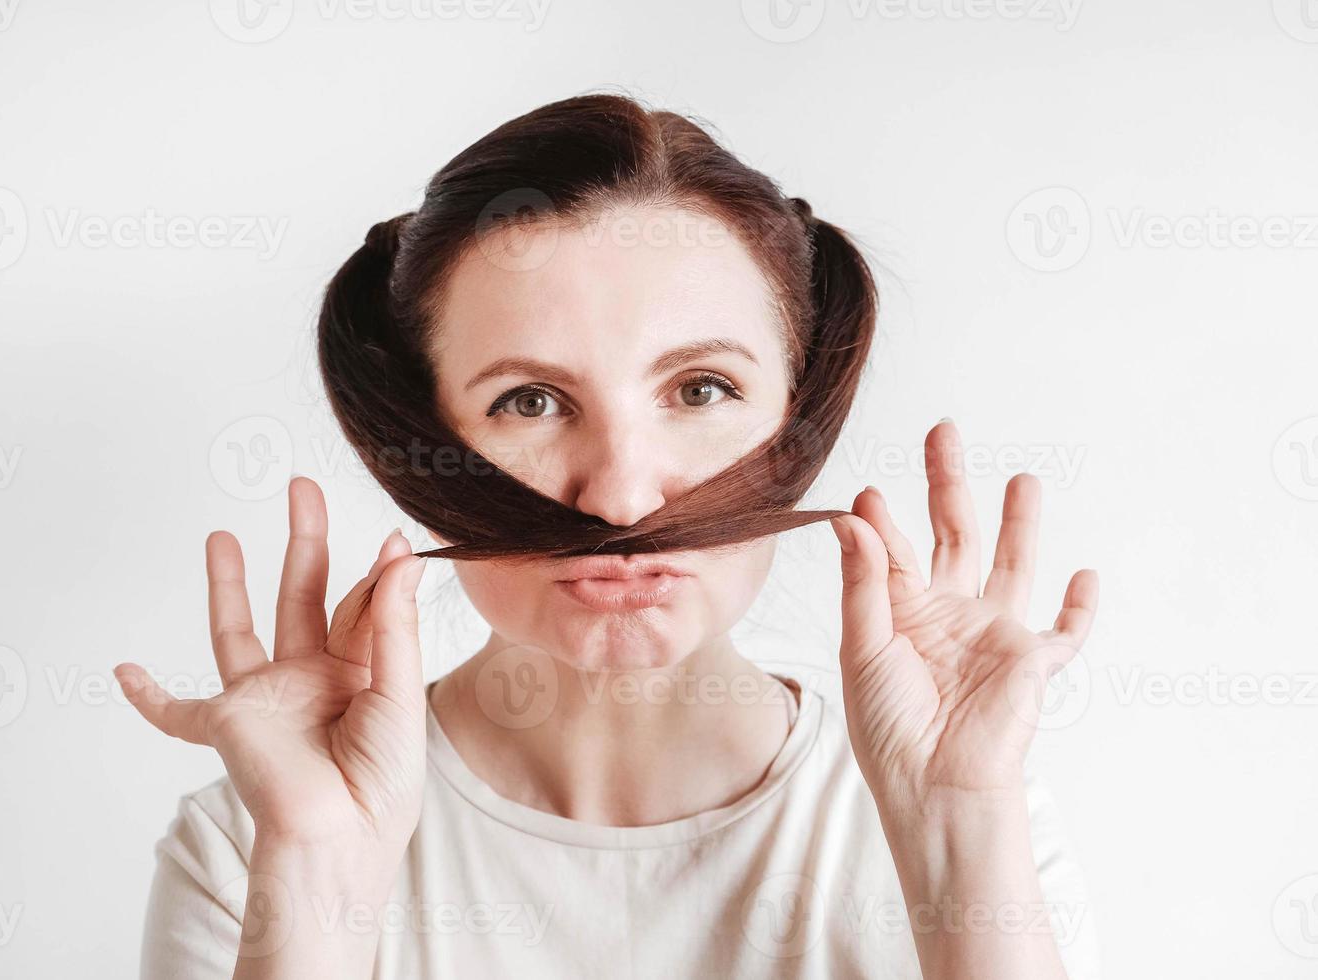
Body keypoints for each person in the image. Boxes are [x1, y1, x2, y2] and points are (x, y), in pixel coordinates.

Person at [115, 92, 1100, 979]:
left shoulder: (978, 813)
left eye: (701, 389)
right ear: (425, 443)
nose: (622, 498)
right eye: (531, 400)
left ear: (795, 424)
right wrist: (318, 882)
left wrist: (956, 833)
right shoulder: (257, 838)